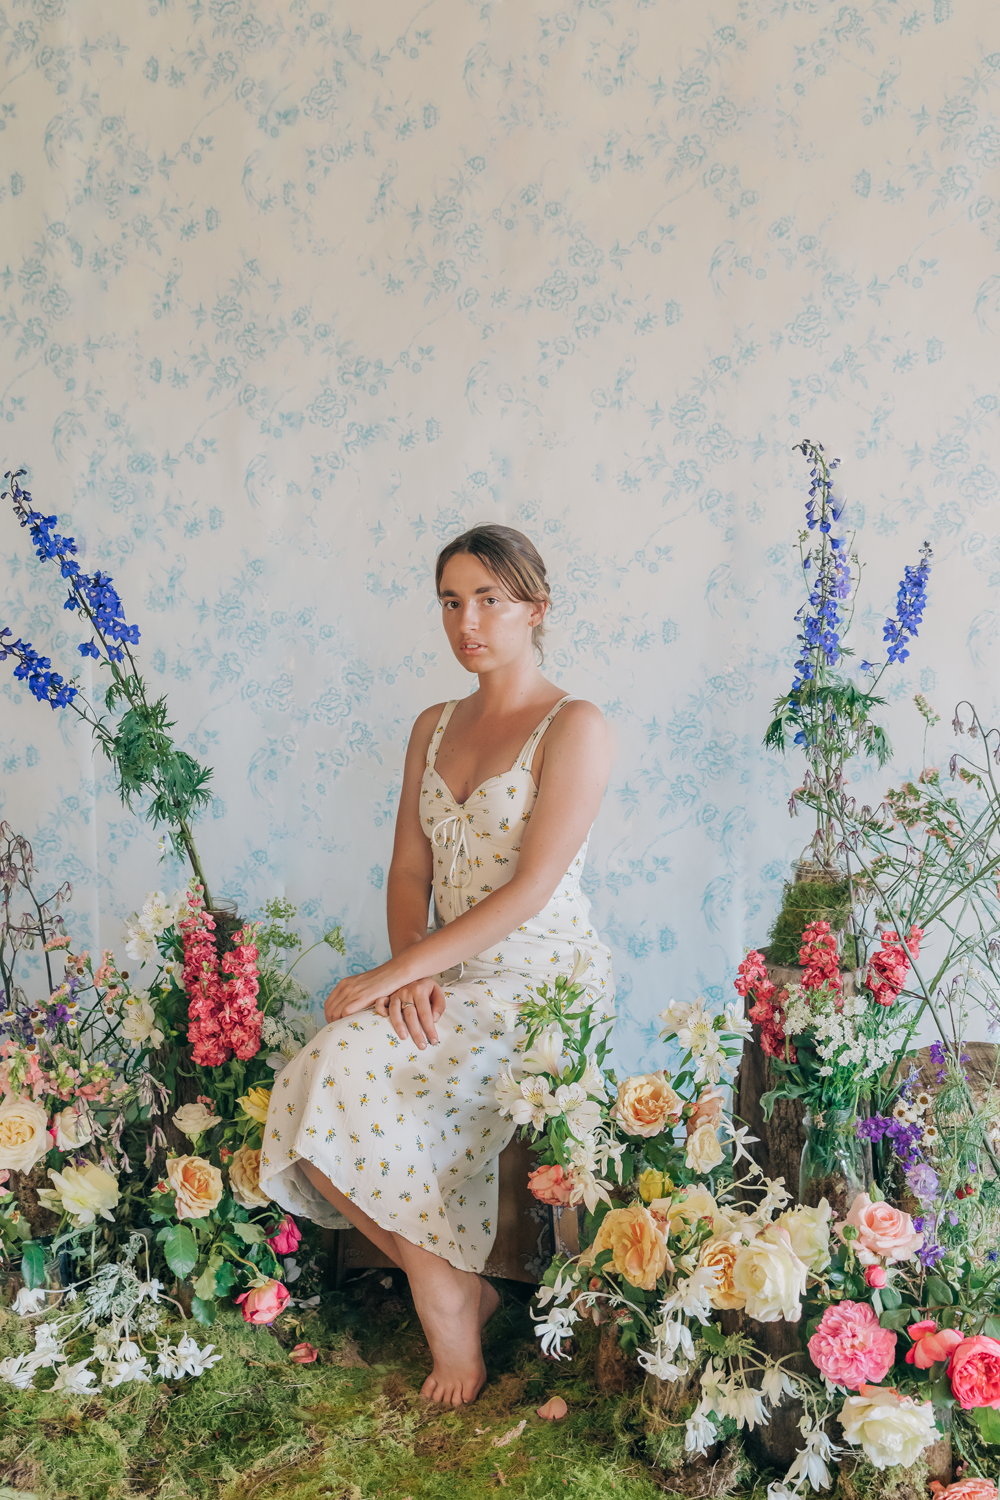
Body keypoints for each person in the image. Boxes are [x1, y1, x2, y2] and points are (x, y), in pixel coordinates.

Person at [259, 524, 614, 1406]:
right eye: (452, 601)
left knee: (353, 1052)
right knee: (322, 1067)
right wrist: (408, 971)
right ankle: (453, 1284)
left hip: (545, 984)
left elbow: (532, 889)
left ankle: (445, 1302)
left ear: (535, 607)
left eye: (490, 599)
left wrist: (396, 978)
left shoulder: (577, 725)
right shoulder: (433, 724)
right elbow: (409, 871)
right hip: (443, 969)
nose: (469, 621)